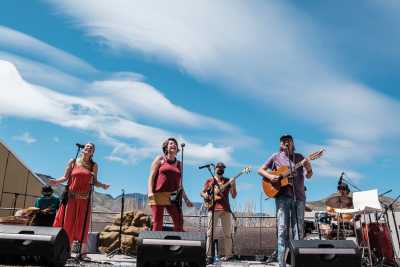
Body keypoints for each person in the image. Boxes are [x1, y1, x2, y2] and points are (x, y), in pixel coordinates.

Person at [258, 134, 313, 267]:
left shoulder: (300, 157)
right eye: (283, 141)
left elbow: (309, 176)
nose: (285, 143)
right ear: (280, 145)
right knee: (282, 230)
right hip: (282, 197)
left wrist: (309, 167)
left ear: (293, 143)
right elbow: (260, 170)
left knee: (298, 230)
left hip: (299, 197)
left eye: (288, 141)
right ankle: (281, 264)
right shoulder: (275, 157)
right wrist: (271, 177)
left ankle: (296, 262)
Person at [49, 143, 109, 252]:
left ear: (93, 152)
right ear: (83, 149)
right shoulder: (73, 161)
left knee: (82, 224)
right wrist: (56, 181)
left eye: (91, 148)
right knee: (68, 223)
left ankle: (82, 251)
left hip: (84, 200)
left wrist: (103, 185)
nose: (89, 148)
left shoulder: (93, 165)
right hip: (71, 198)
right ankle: (66, 250)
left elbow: (94, 181)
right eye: (87, 146)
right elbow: (66, 177)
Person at [147, 137, 193, 231]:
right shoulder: (160, 159)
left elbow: (180, 184)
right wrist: (150, 192)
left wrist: (186, 200)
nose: (174, 145)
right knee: (157, 221)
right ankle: (155, 244)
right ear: (166, 147)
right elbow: (151, 177)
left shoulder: (179, 164)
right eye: (171, 143)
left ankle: (177, 244)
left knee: (179, 220)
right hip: (158, 194)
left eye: (175, 144)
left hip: (173, 196)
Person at [201, 162, 237, 262]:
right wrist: (206, 196)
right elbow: (202, 192)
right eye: (219, 167)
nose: (220, 169)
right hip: (213, 208)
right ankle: (208, 256)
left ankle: (228, 255)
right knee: (210, 233)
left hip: (226, 209)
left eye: (222, 168)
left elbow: (234, 196)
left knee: (228, 233)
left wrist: (233, 184)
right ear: (215, 168)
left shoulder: (228, 180)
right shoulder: (209, 180)